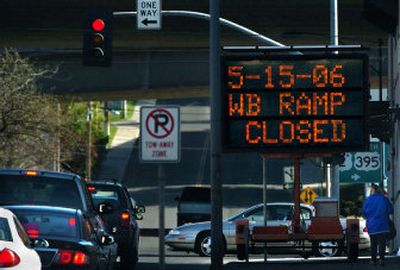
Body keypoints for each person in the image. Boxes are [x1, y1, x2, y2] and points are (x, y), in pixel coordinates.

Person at [362, 183, 394, 266]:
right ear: (379, 190)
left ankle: (373, 260)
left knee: (373, 243)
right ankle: (382, 259)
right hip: (383, 224)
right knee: (382, 243)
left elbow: (364, 213)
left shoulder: (368, 200)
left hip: (372, 225)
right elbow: (391, 210)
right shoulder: (384, 199)